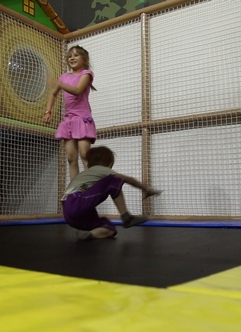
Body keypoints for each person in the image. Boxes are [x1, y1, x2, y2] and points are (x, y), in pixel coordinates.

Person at [61, 146, 162, 240]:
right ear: (109, 163)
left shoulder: (85, 174)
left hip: (68, 213)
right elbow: (128, 179)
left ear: (88, 163)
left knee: (109, 228)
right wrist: (146, 189)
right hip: (77, 201)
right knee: (114, 180)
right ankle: (126, 217)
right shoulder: (102, 170)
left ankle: (91, 234)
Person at [43, 45, 97, 180]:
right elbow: (53, 94)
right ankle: (75, 189)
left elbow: (77, 90)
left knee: (85, 154)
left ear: (84, 59)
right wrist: (48, 111)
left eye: (76, 55)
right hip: (69, 121)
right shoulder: (64, 77)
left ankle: (91, 184)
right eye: (70, 56)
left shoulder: (86, 74)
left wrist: (59, 84)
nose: (72, 58)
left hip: (82, 119)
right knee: (71, 158)